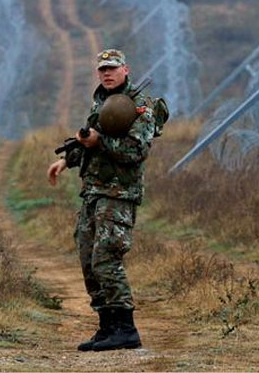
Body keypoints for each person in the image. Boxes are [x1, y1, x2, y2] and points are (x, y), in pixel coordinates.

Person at [47, 49, 156, 351]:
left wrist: (100, 141)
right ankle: (107, 327)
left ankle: (126, 329)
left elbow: (136, 151)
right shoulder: (102, 103)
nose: (106, 74)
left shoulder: (139, 107)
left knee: (106, 259)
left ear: (125, 69)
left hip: (119, 195)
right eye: (102, 69)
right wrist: (66, 162)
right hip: (94, 192)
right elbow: (89, 142)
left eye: (112, 68)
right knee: (88, 261)